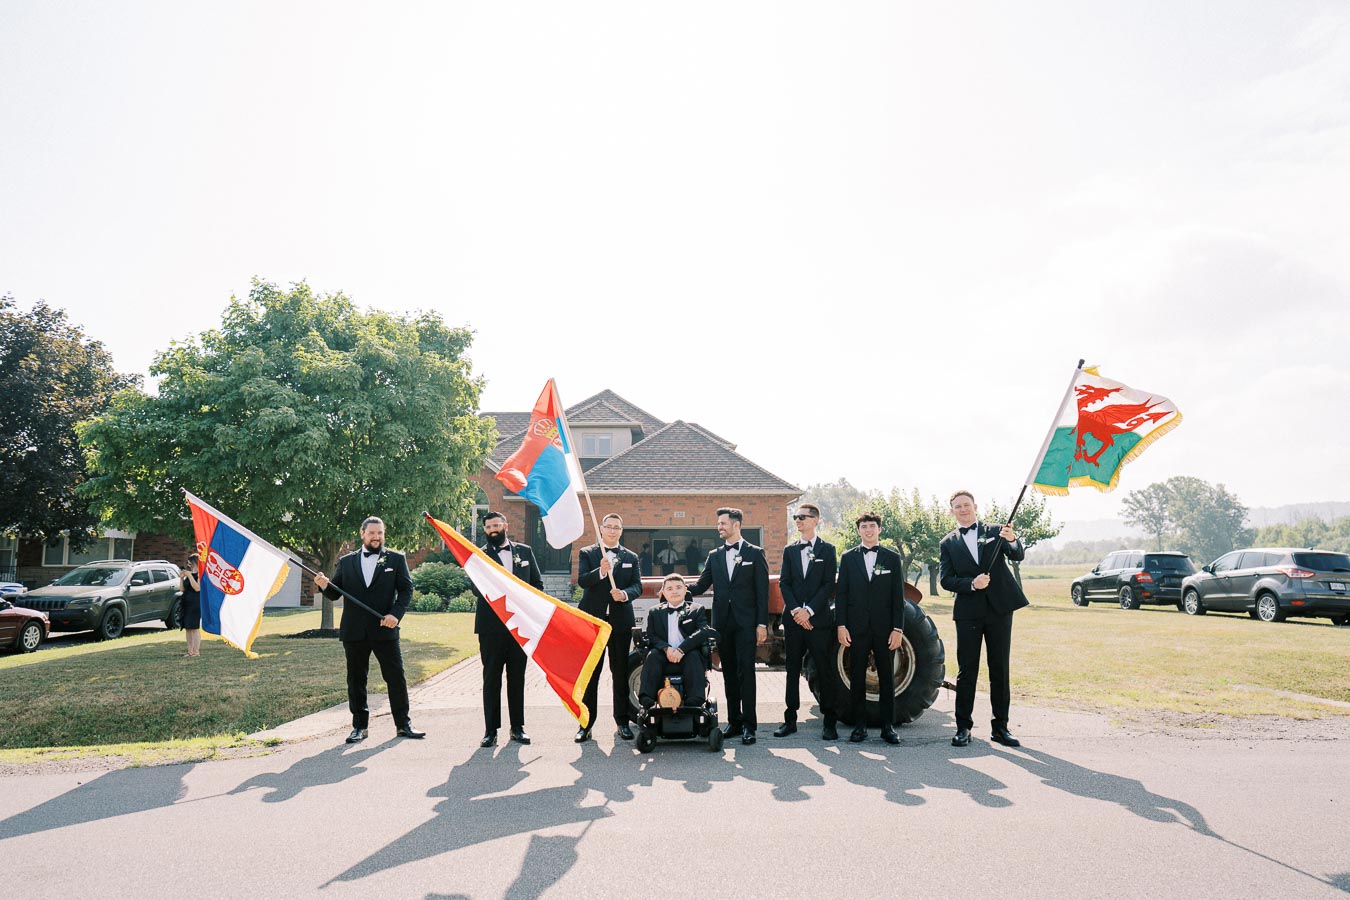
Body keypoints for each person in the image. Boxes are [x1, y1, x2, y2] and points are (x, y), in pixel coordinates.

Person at [315, 516, 423, 744]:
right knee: (356, 680)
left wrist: (395, 614)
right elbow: (336, 592)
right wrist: (324, 585)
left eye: (380, 533)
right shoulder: (346, 562)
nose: (376, 537)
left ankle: (403, 725)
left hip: (385, 630)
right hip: (354, 631)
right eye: (372, 532)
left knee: (395, 678)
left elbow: (406, 590)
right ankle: (359, 727)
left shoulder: (396, 559)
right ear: (362, 533)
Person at [938, 490, 1027, 748]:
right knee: (967, 671)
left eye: (966, 505)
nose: (963, 509)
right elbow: (945, 580)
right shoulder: (948, 543)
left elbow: (1016, 554)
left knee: (999, 668)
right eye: (958, 506)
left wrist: (1012, 540)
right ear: (952, 511)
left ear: (975, 506)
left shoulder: (997, 530)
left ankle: (1000, 727)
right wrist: (971, 584)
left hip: (999, 609)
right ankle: (963, 728)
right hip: (968, 612)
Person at [692, 507, 768, 744]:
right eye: (718, 524)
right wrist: (675, 589)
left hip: (747, 624)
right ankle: (734, 722)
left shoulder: (755, 554)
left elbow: (762, 593)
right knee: (729, 675)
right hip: (723, 625)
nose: (719, 527)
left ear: (736, 525)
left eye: (723, 523)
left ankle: (749, 726)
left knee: (747, 673)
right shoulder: (714, 556)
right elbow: (701, 585)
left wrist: (761, 624)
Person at [473, 510, 542, 748]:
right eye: (489, 527)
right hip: (491, 628)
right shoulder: (478, 556)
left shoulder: (525, 552)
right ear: (485, 530)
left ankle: (517, 727)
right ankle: (490, 730)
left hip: (519, 627)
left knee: (517, 678)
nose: (493, 529)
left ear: (506, 525)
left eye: (496, 525)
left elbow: (537, 584)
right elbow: (475, 589)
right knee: (491, 678)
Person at [835, 511, 904, 745]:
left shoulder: (892, 558)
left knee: (886, 677)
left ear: (879, 529)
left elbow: (898, 597)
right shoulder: (847, 557)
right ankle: (860, 727)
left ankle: (888, 727)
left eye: (872, 526)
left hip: (885, 629)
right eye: (864, 526)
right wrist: (841, 626)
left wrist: (898, 629)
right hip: (856, 629)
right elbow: (842, 594)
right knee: (857, 679)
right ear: (858, 530)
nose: (868, 530)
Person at [576, 514, 644, 742]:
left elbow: (638, 586)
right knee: (591, 674)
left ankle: (622, 722)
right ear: (602, 529)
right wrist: (601, 572)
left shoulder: (631, 556)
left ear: (621, 531)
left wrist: (624, 594)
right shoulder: (588, 553)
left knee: (620, 671)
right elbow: (583, 581)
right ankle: (586, 724)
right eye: (609, 527)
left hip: (620, 622)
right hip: (594, 622)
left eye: (617, 527)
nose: (613, 531)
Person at [776, 503, 840, 740]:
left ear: (815, 520)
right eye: (795, 517)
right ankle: (790, 720)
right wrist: (796, 611)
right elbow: (785, 582)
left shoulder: (828, 550)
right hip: (794, 621)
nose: (798, 521)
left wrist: (809, 611)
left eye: (802, 517)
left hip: (818, 621)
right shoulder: (789, 551)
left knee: (825, 670)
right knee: (792, 669)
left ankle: (829, 722)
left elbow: (827, 585)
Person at [638, 574, 714, 709]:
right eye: (670, 589)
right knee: (652, 656)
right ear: (663, 593)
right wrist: (667, 649)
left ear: (685, 590)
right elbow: (652, 636)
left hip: (688, 651)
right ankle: (647, 700)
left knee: (695, 657)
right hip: (663, 652)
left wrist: (681, 649)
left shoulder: (697, 609)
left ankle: (694, 702)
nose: (674, 591)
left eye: (678, 587)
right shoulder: (654, 612)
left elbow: (703, 631)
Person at [180, 551, 202, 658]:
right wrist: (181, 578)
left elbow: (197, 588)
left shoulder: (200, 574)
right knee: (188, 627)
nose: (188, 565)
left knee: (194, 627)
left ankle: (196, 651)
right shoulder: (189, 574)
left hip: (195, 603)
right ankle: (190, 651)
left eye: (190, 563)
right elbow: (182, 589)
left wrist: (189, 576)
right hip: (186, 603)